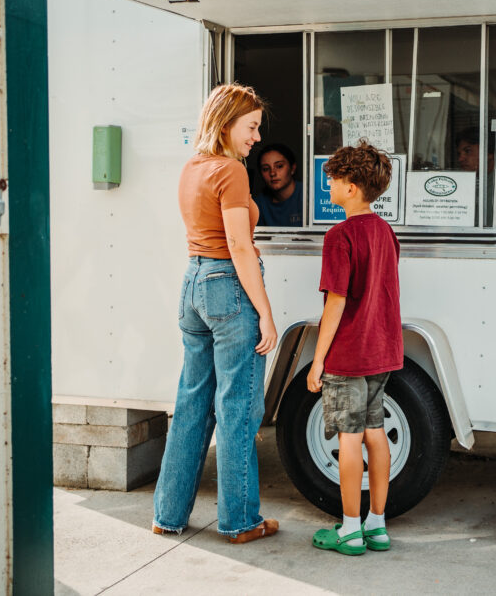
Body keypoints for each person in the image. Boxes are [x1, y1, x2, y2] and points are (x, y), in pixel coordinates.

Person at [152, 83, 279, 544]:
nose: (256, 137)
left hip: (193, 285)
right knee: (238, 409)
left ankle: (167, 514)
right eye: (251, 127)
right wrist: (265, 312)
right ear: (226, 124)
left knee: (191, 405)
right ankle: (240, 521)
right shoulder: (230, 171)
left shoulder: (193, 167)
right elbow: (239, 247)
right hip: (227, 287)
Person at [306, 141, 402, 556]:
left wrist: (317, 360)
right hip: (382, 351)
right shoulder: (385, 231)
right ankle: (376, 525)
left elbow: (337, 301)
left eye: (332, 179)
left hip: (348, 354)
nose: (328, 185)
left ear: (350, 186)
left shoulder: (339, 235)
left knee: (348, 437)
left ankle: (349, 529)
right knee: (375, 433)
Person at [255, 143, 302, 227]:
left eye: (279, 166)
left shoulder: (308, 196)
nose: (272, 173)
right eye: (266, 169)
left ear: (292, 168)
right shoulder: (258, 205)